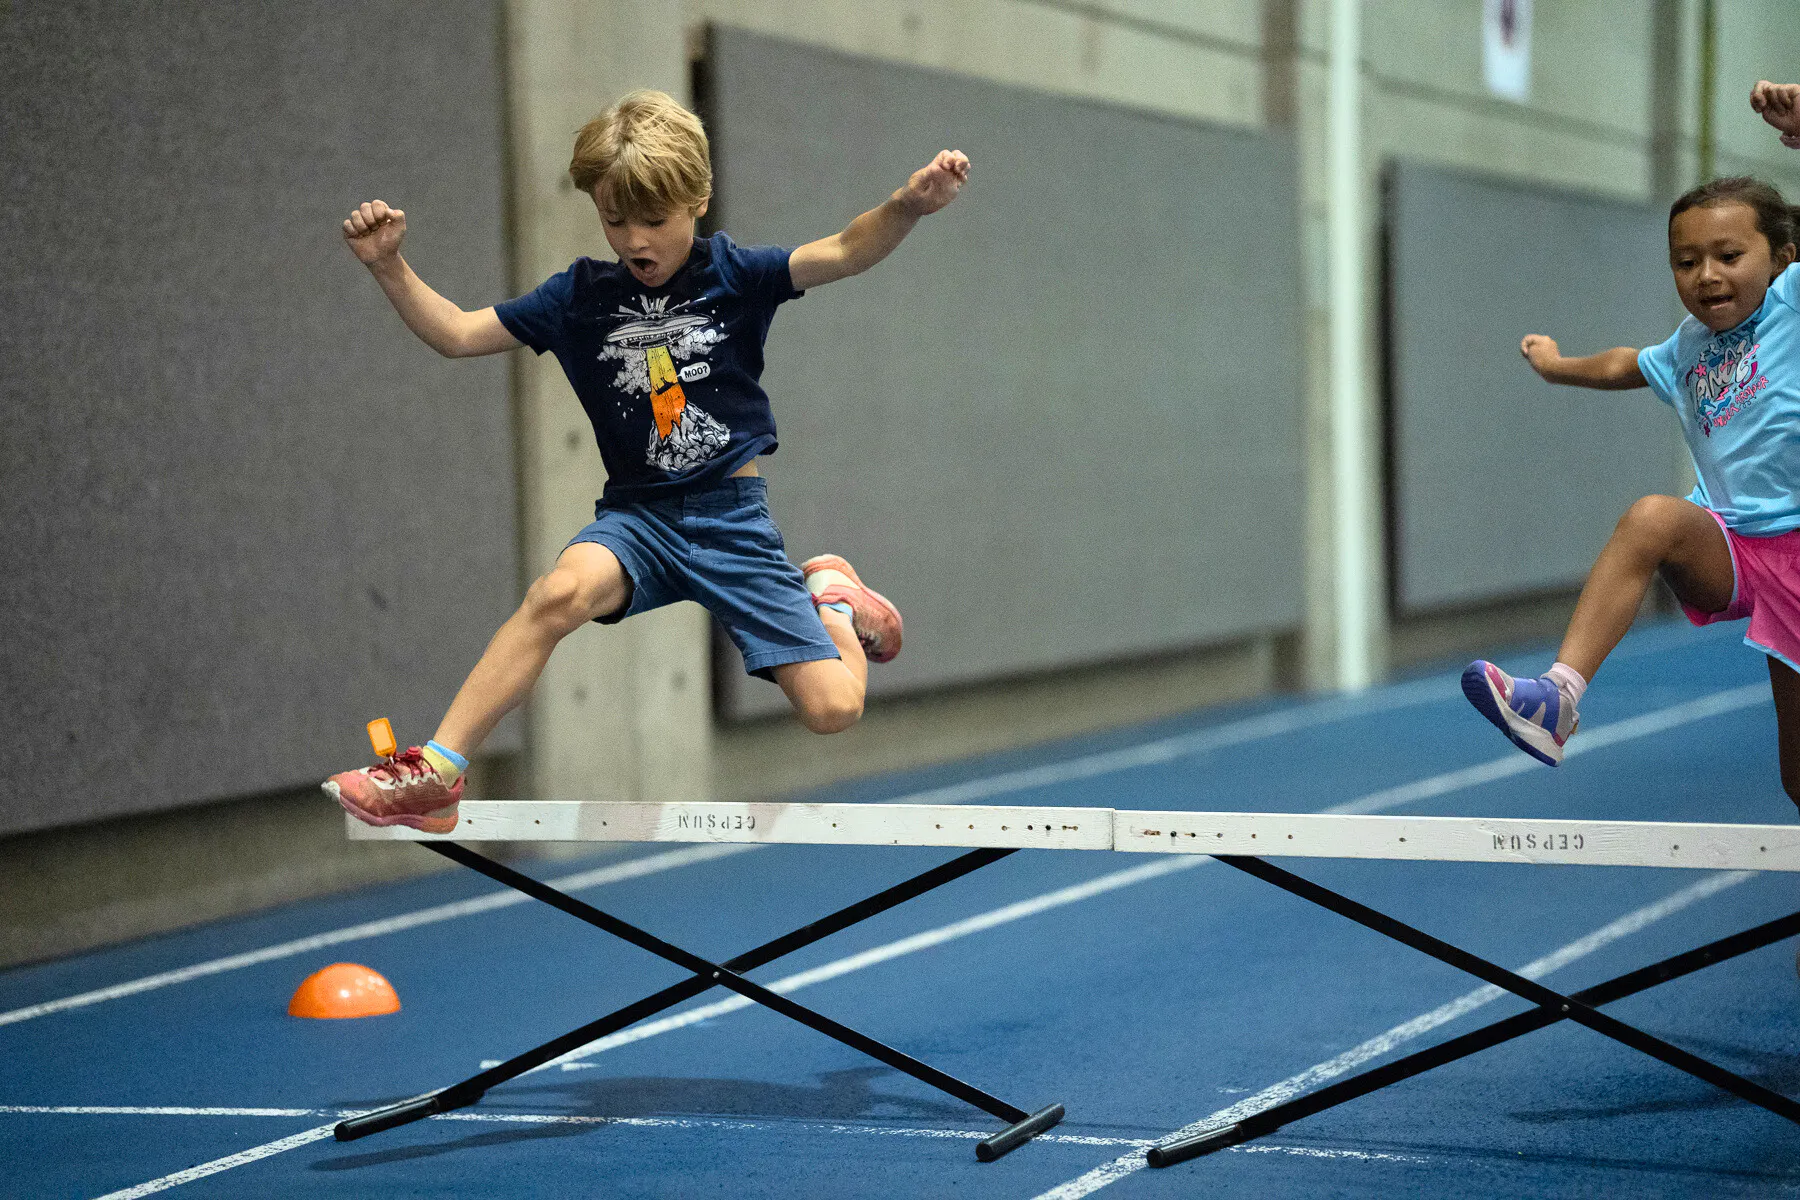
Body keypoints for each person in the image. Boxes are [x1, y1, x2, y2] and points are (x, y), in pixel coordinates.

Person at [323, 90, 970, 833]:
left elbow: (849, 250)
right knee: (554, 595)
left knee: (833, 710)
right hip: (639, 521)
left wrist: (908, 206)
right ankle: (437, 773)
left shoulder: (734, 275)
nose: (634, 239)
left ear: (697, 200)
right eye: (614, 219)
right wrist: (389, 267)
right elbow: (459, 334)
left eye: (654, 221)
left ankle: (827, 594)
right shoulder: (578, 298)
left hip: (732, 522)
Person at [1464, 81, 1800, 801]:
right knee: (1653, 518)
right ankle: (1556, 698)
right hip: (1737, 546)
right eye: (1686, 261)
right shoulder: (1689, 346)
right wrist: (1557, 367)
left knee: (1799, 779)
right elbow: (1626, 363)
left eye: (1730, 255)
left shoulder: (1793, 305)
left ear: (1780, 257)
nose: (1707, 274)